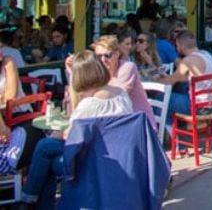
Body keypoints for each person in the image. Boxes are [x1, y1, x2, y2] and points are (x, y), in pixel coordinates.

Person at [21, 50, 133, 207]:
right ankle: (30, 199)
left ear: (80, 77)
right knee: (46, 150)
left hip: (94, 161)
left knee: (45, 151)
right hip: (118, 154)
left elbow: (71, 136)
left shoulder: (91, 104)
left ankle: (29, 199)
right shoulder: (121, 94)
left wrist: (72, 81)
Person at [89, 35, 157, 131]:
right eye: (98, 56)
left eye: (107, 55)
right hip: (118, 124)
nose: (103, 60)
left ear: (117, 54)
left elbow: (118, 99)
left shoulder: (127, 67)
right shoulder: (100, 72)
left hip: (141, 128)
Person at [158, 30, 212, 123]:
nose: (176, 48)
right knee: (176, 94)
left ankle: (164, 132)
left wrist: (154, 80)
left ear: (182, 46)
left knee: (160, 98)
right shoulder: (207, 55)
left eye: (176, 46)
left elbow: (170, 81)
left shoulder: (188, 61)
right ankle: (169, 128)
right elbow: (188, 78)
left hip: (197, 107)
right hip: (209, 105)